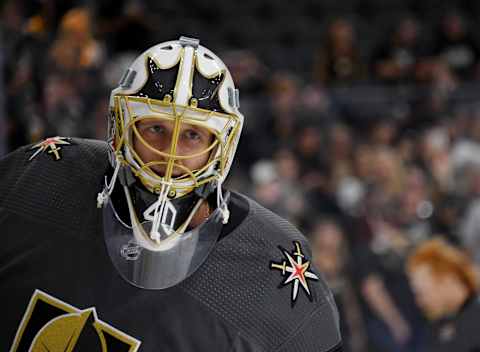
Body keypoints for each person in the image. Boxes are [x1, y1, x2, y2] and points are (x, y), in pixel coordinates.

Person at [1, 36, 342, 351]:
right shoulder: (39, 178)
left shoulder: (270, 270)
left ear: (221, 147)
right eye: (155, 128)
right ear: (121, 128)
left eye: (193, 135)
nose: (170, 153)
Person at [407, 238, 480, 352]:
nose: (419, 302)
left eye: (422, 293)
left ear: (446, 281)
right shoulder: (439, 325)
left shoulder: (474, 319)